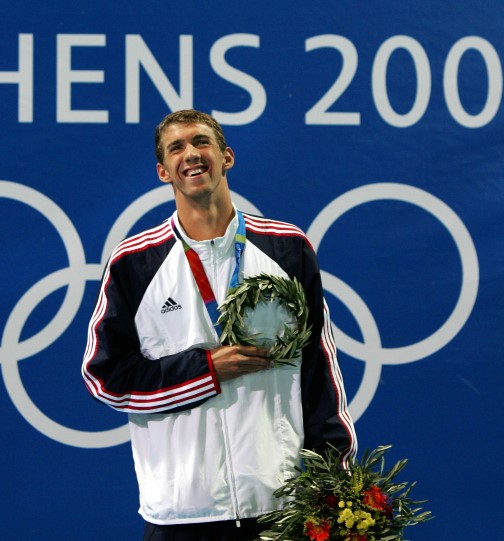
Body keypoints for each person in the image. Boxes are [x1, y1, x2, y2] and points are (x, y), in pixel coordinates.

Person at [82, 109, 356, 541]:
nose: (190, 154)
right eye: (177, 147)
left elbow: (319, 373)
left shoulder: (287, 248)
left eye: (201, 142)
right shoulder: (134, 263)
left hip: (277, 505)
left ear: (226, 157)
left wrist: (337, 485)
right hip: (181, 513)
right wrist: (205, 370)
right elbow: (105, 379)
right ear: (162, 171)